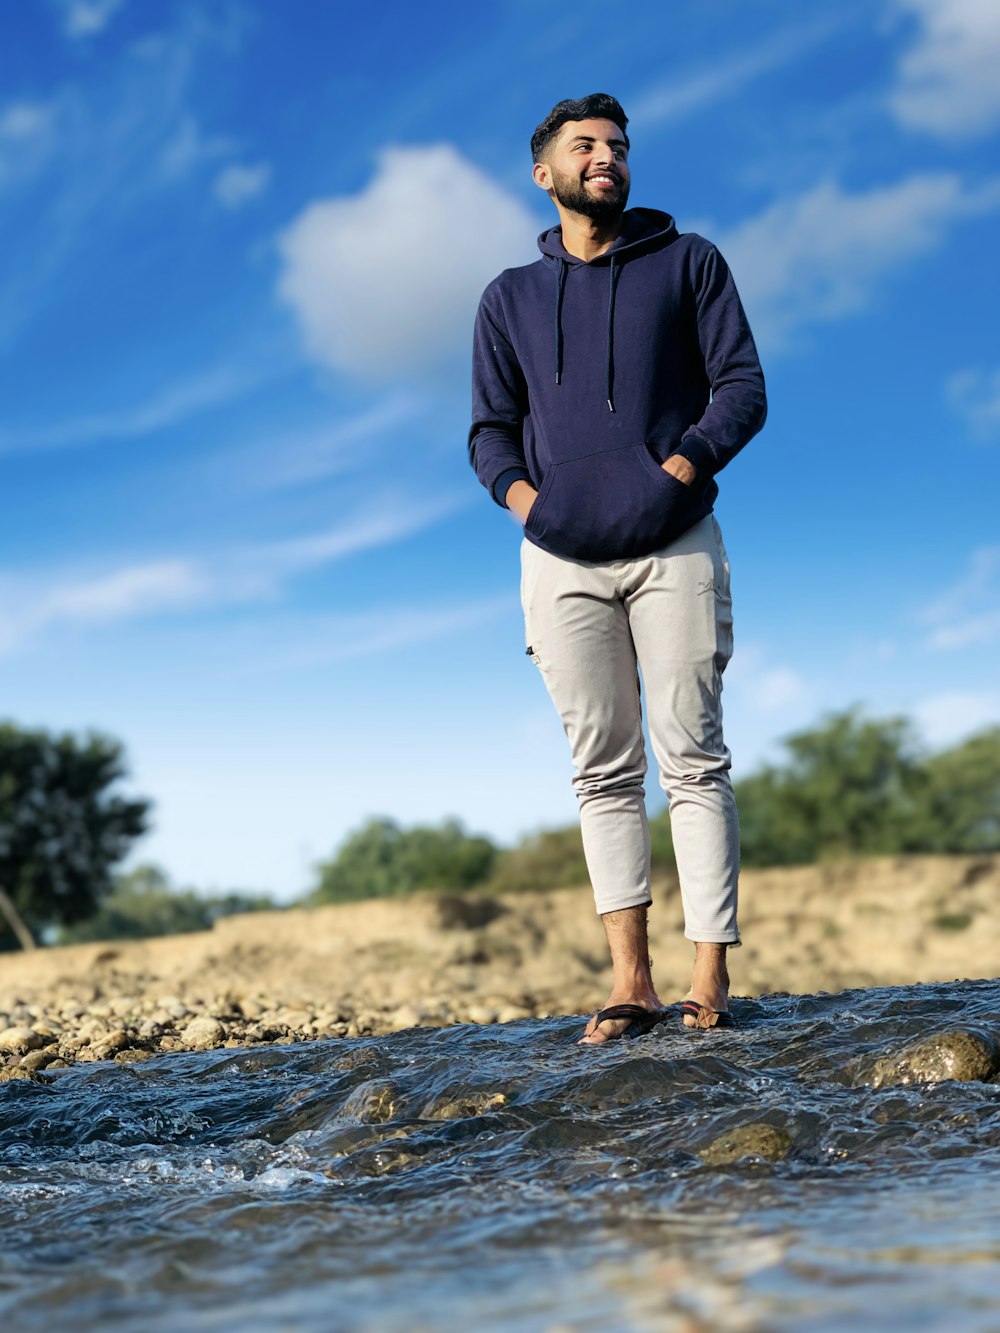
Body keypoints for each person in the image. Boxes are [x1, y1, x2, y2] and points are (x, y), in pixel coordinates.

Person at [469, 93, 766, 1043]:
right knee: (601, 770)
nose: (606, 157)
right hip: (560, 559)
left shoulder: (689, 263)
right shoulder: (508, 297)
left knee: (694, 757)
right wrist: (534, 503)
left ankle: (707, 978)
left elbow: (743, 388)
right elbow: (487, 432)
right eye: (585, 146)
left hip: (675, 541)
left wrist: (676, 468)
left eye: (618, 147)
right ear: (543, 173)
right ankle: (628, 980)